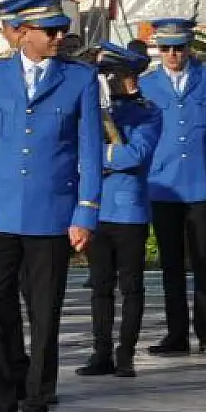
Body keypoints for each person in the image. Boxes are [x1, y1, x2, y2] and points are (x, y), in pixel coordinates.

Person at [0, 0, 102, 412]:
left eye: (62, 30)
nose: (59, 38)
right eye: (50, 31)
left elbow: (90, 153)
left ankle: (37, 409)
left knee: (44, 318)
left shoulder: (79, 79)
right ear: (23, 33)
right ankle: (2, 406)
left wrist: (86, 213)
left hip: (51, 216)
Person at [139, 17, 206, 357]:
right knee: (170, 262)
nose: (171, 55)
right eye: (164, 48)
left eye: (178, 48)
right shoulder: (147, 84)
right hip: (162, 183)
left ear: (189, 47)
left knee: (203, 259)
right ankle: (176, 334)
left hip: (202, 182)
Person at [78, 44, 162, 379]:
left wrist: (97, 158)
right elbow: (78, 153)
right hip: (97, 208)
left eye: (108, 75)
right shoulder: (94, 110)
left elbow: (134, 156)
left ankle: (125, 353)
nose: (103, 81)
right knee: (100, 287)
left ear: (126, 76)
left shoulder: (148, 112)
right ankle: (101, 353)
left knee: (131, 286)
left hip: (129, 211)